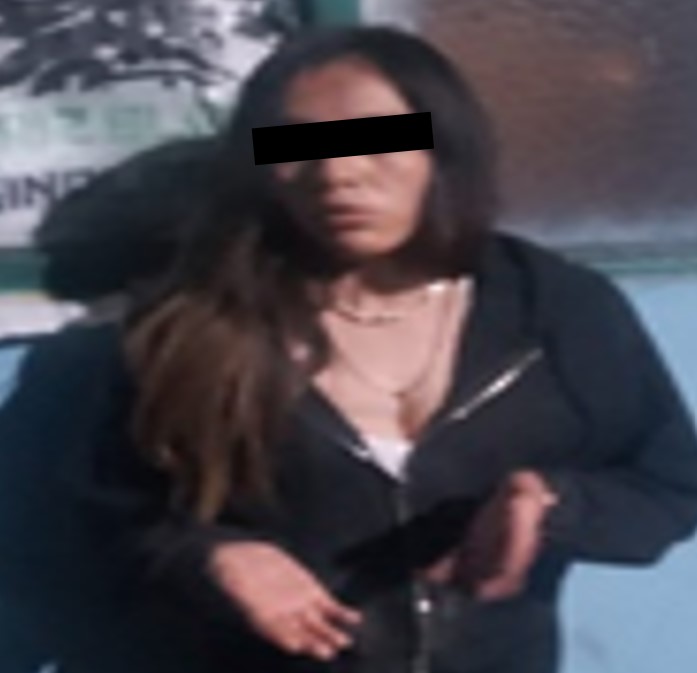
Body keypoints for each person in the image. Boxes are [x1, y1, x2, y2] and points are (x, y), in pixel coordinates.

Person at [70, 26, 697, 673]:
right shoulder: (196, 325)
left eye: (376, 139)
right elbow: (115, 518)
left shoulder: (555, 307)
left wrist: (553, 506)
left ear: (442, 149)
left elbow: (669, 486)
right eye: (296, 146)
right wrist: (212, 557)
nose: (337, 174)